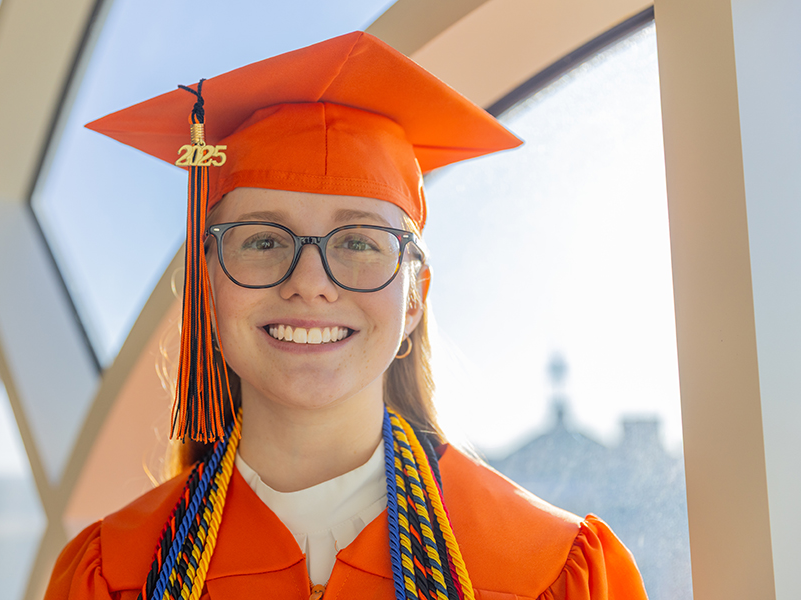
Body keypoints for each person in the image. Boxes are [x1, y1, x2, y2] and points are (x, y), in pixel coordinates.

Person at [44, 32, 649, 600]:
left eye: (358, 243)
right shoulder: (112, 574)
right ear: (208, 285)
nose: (310, 285)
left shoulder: (549, 570)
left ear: (413, 298)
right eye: (263, 241)